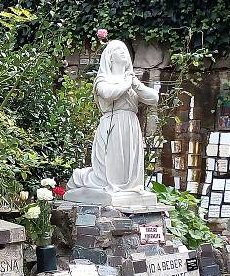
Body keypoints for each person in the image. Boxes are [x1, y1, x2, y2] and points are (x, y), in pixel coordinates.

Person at [64, 40, 159, 205]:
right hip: (113, 124)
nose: (123, 52)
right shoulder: (103, 79)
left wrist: (135, 84)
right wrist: (127, 83)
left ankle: (129, 188)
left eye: (125, 50)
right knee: (109, 169)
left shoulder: (132, 80)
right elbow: (108, 93)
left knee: (129, 165)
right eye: (118, 50)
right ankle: (80, 177)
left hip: (130, 124)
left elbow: (154, 98)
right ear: (110, 57)